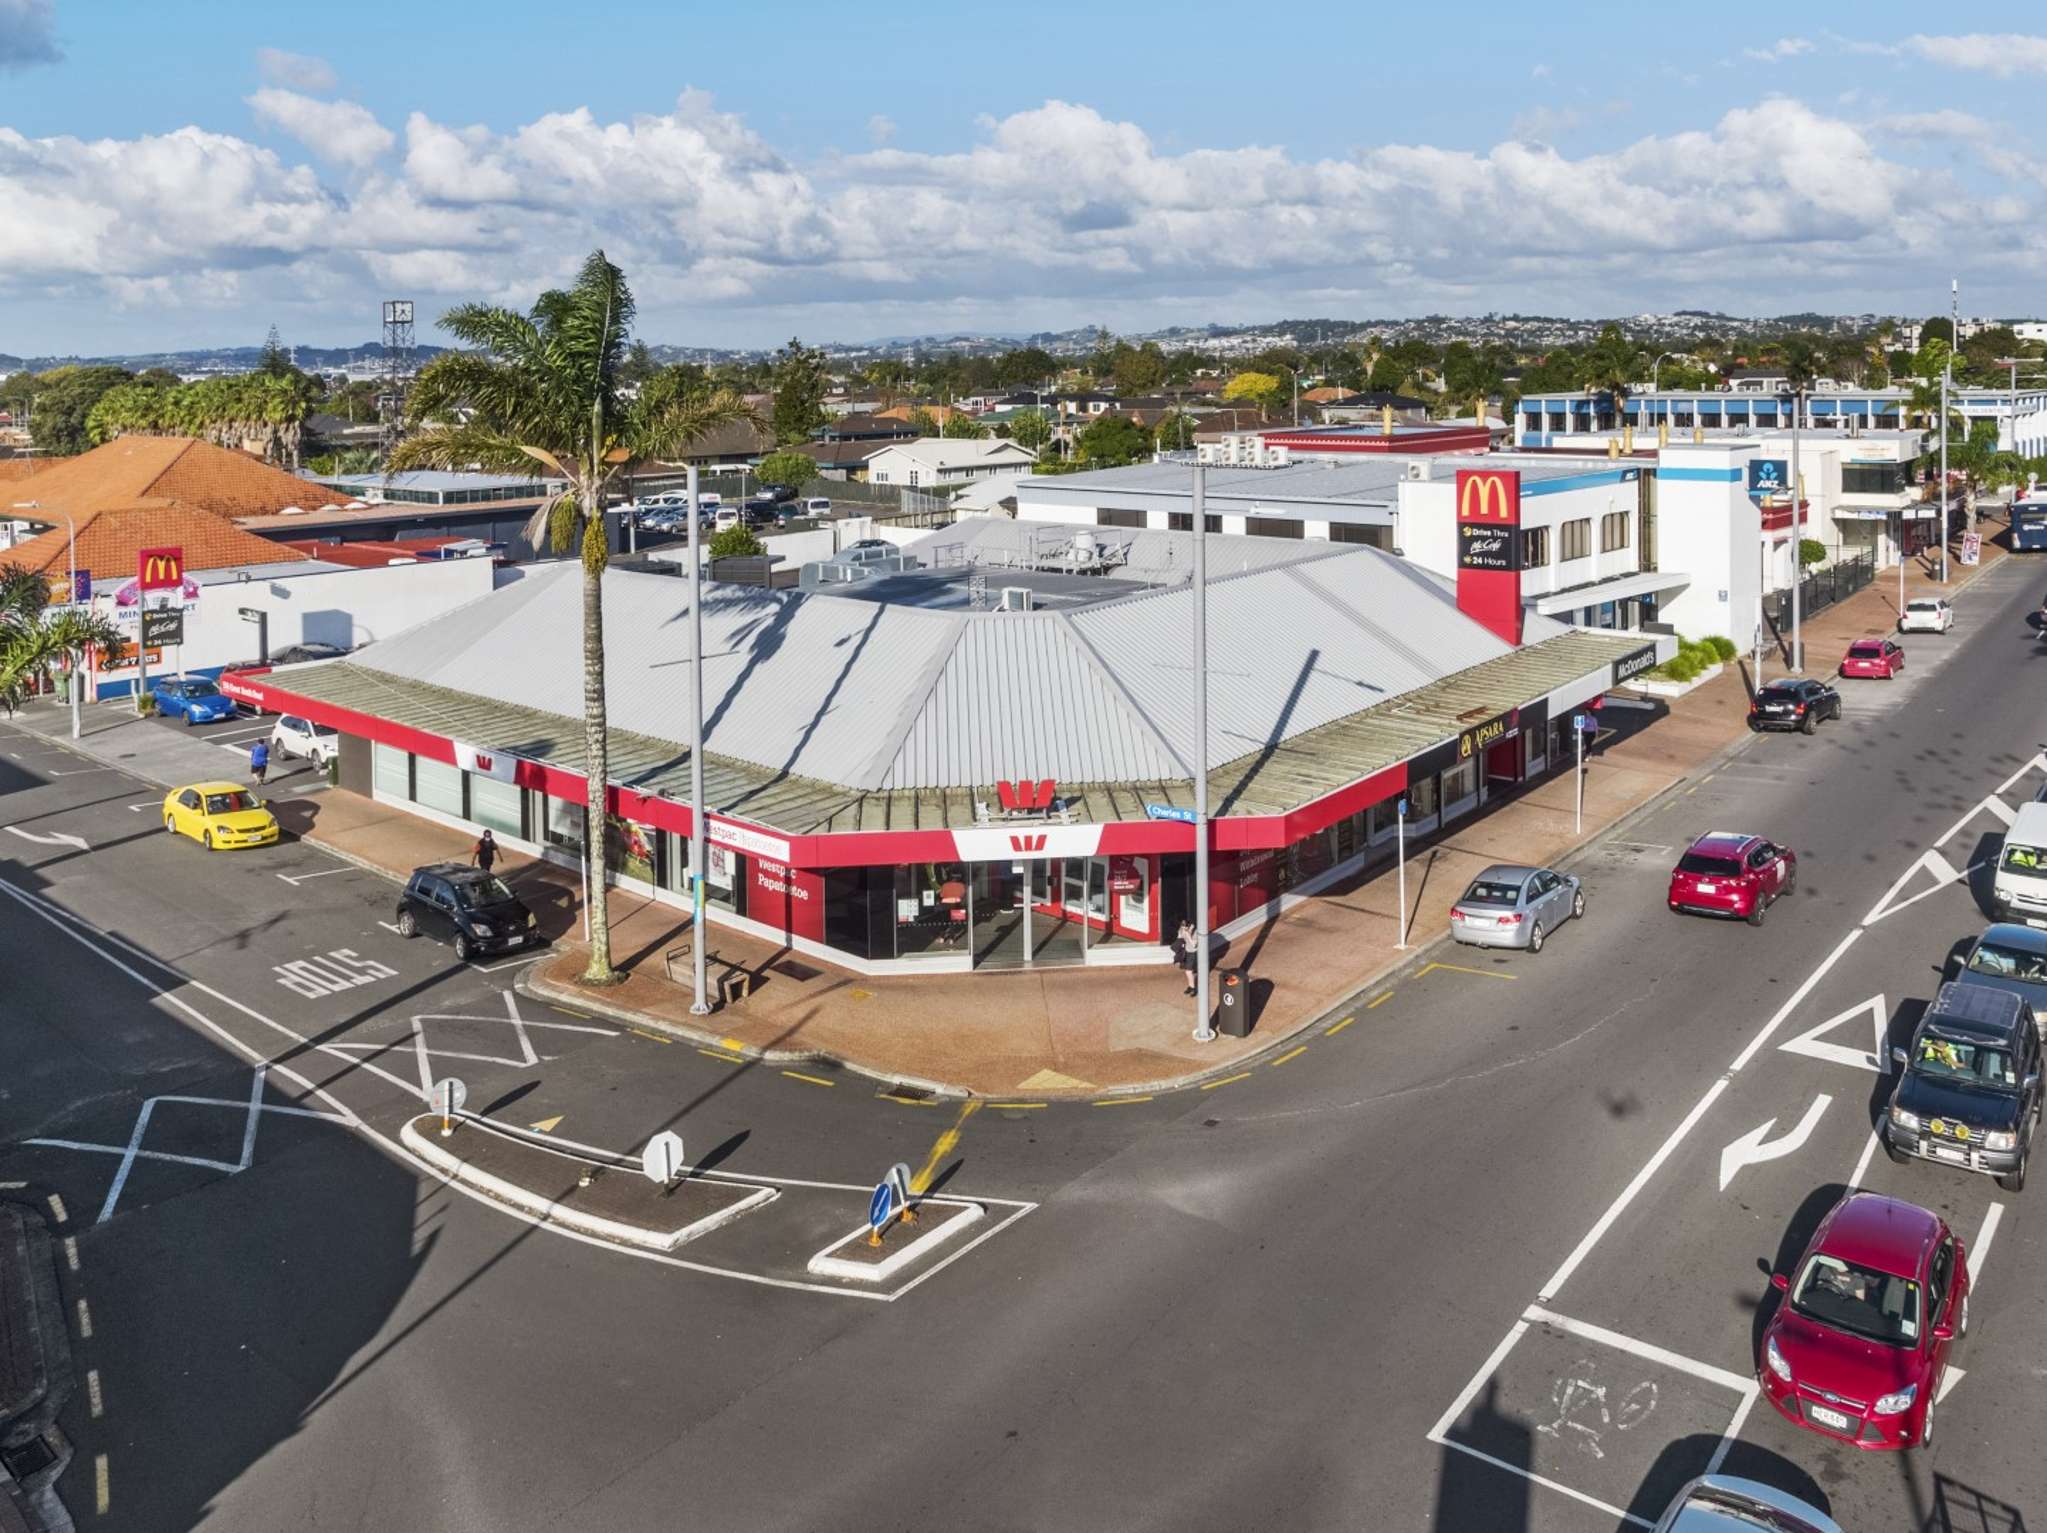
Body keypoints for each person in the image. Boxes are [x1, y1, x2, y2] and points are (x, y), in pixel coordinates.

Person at [1174, 918, 1198, 997]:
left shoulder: (1195, 931)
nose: (1184, 929)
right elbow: (1179, 937)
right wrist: (1182, 933)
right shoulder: (1182, 929)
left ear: (1189, 926)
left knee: (1188, 971)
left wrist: (1188, 935)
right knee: (1188, 971)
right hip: (1186, 951)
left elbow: (1194, 945)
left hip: (1193, 952)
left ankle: (1192, 988)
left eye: (1185, 928)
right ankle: (1191, 987)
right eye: (1182, 927)